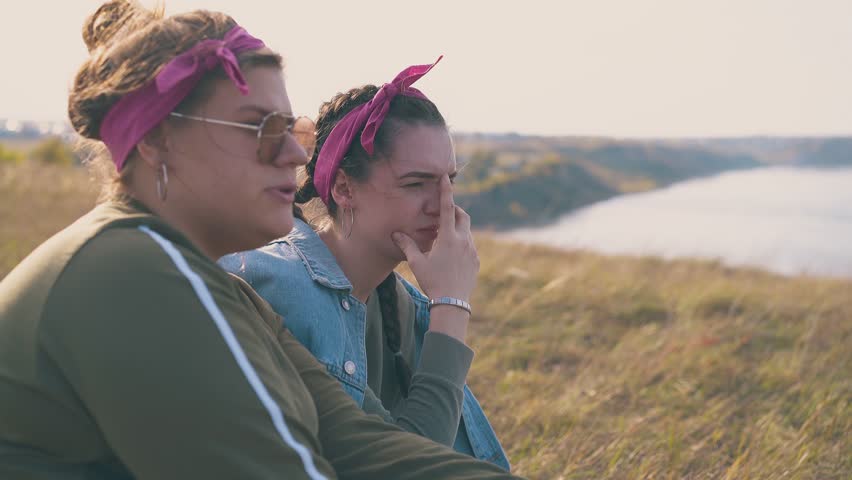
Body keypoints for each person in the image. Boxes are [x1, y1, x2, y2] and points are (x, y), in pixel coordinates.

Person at [0, 2, 524, 478]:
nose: (298, 157)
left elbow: (360, 445)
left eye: (291, 130)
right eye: (260, 128)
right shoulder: (129, 271)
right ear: (160, 141)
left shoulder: (224, 294)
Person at [219, 58, 510, 469]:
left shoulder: (402, 302)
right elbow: (412, 468)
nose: (445, 205)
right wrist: (451, 306)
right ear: (343, 188)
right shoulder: (284, 286)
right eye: (416, 183)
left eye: (450, 180)